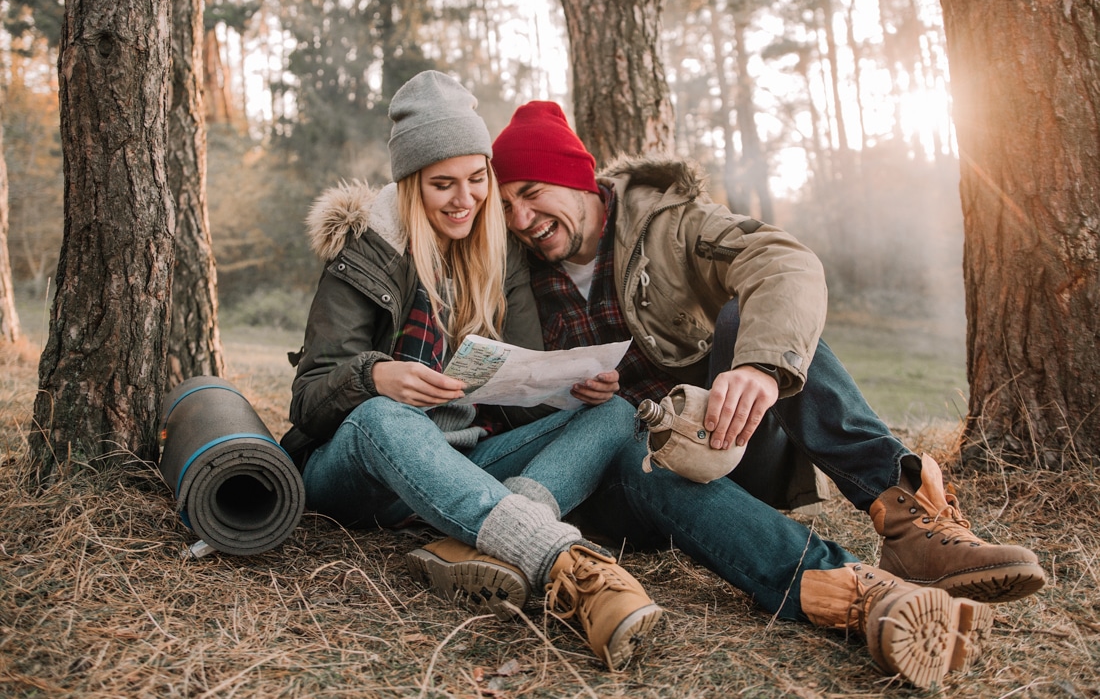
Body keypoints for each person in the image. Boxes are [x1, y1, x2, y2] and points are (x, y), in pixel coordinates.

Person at [412, 100, 1046, 689]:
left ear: (576, 176)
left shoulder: (671, 227)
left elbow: (784, 264)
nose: (521, 220)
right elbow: (495, 394)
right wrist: (561, 394)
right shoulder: (512, 269)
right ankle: (856, 591)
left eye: (532, 194)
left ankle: (910, 518)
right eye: (508, 206)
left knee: (754, 319)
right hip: (624, 481)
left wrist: (760, 369)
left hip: (730, 442)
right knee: (635, 452)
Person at [284, 74, 662, 671]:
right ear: (412, 184)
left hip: (462, 462)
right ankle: (560, 564)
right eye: (442, 184)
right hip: (360, 467)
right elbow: (307, 401)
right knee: (386, 414)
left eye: (477, 178)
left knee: (614, 413)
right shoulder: (366, 252)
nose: (465, 199)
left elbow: (523, 393)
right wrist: (374, 377)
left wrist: (570, 387)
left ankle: (471, 538)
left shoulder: (499, 255)